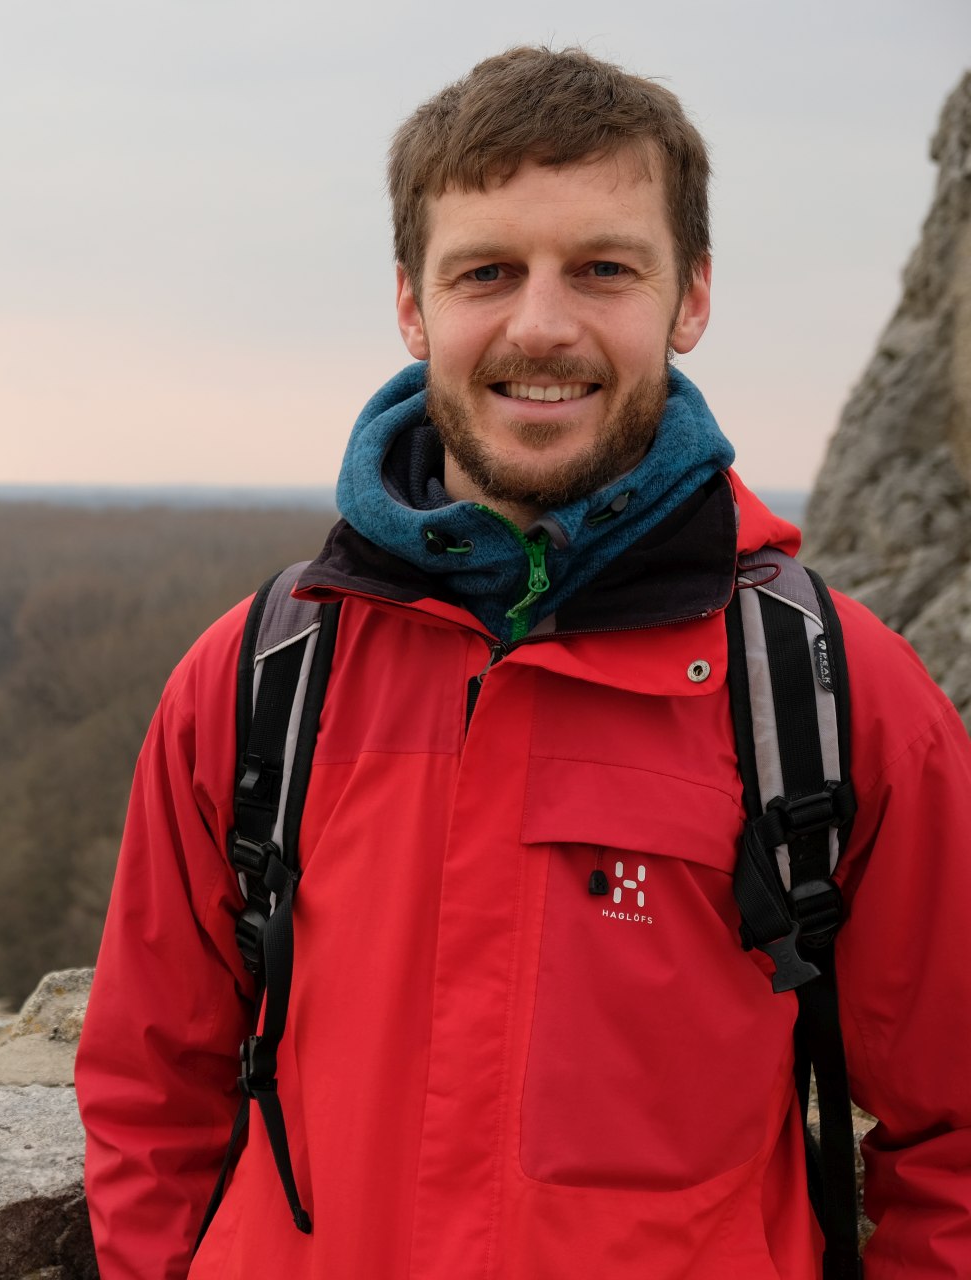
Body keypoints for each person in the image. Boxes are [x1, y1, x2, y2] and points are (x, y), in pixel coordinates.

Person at [74, 45, 971, 1280]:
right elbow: (148, 1088)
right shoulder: (260, 679)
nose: (541, 325)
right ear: (412, 303)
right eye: (487, 271)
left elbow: (959, 1135)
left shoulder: (827, 694)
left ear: (691, 297)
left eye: (603, 269)